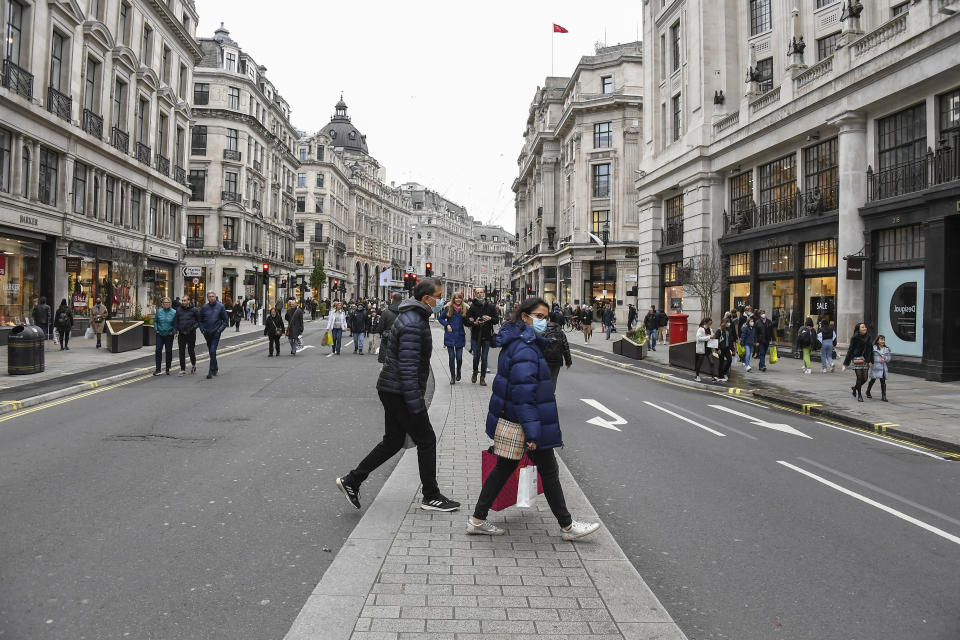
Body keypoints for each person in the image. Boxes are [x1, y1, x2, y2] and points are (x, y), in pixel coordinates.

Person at [467, 297, 600, 540]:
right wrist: (533, 433)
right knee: (549, 471)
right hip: (524, 424)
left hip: (514, 420)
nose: (543, 321)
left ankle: (477, 519)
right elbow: (524, 394)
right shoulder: (525, 348)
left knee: (504, 468)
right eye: (539, 316)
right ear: (525, 316)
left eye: (546, 317)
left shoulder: (519, 341)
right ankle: (567, 526)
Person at [336, 278, 459, 513]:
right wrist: (416, 404)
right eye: (439, 295)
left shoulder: (413, 316)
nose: (441, 300)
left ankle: (353, 480)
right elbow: (408, 366)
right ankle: (431, 495)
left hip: (392, 389)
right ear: (426, 299)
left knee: (393, 441)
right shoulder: (414, 322)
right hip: (400, 391)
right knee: (426, 439)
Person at [464, 287, 500, 386]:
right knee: (476, 356)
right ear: (475, 294)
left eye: (481, 292)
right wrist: (473, 322)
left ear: (484, 294)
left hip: (487, 336)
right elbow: (466, 321)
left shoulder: (491, 306)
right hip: (476, 335)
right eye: (478, 293)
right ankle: (475, 371)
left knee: (484, 357)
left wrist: (489, 318)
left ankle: (482, 377)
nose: (480, 294)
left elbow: (496, 320)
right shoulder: (472, 307)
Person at [198, 292, 229, 379]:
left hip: (216, 332)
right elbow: (200, 320)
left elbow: (226, 320)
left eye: (213, 296)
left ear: (215, 297)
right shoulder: (204, 307)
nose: (211, 298)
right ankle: (215, 368)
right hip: (207, 333)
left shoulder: (220, 307)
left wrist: (220, 330)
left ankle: (210, 371)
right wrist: (202, 329)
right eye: (209, 297)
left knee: (212, 351)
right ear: (207, 298)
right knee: (211, 352)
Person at [438, 294, 467, 384]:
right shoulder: (448, 308)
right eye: (456, 298)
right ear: (453, 299)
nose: (458, 300)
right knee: (451, 357)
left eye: (459, 298)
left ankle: (458, 371)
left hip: (460, 336)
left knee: (459, 358)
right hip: (450, 335)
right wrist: (447, 325)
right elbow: (440, 318)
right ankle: (452, 377)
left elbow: (468, 321)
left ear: (462, 299)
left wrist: (472, 320)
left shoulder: (464, 309)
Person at [842, 322, 874, 402]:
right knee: (859, 378)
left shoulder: (869, 337)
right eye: (863, 327)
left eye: (865, 327)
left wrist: (871, 361)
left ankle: (855, 388)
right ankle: (859, 395)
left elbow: (871, 350)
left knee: (865, 378)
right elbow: (850, 350)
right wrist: (846, 363)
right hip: (856, 359)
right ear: (858, 330)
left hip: (865, 359)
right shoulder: (854, 338)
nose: (865, 328)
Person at [542, 312, 572, 392]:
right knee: (553, 379)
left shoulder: (543, 331)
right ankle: (551, 395)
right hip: (557, 361)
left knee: (544, 379)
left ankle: (544, 395)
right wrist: (568, 362)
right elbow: (566, 348)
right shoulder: (561, 333)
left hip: (545, 360)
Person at [174, 295, 199, 375]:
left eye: (185, 300)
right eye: (182, 300)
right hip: (181, 333)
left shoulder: (194, 310)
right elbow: (176, 321)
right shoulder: (178, 310)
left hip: (191, 333)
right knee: (181, 351)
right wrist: (175, 331)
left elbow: (199, 321)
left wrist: (193, 328)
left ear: (188, 301)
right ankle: (182, 369)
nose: (183, 302)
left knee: (191, 350)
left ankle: (193, 364)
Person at [153, 297, 177, 376]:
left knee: (168, 351)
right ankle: (158, 369)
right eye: (164, 303)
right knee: (158, 350)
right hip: (159, 334)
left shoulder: (174, 312)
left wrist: (174, 331)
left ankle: (167, 368)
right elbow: (155, 321)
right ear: (162, 304)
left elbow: (176, 324)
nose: (166, 304)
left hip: (169, 334)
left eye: (168, 303)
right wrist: (156, 329)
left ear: (170, 304)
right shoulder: (159, 311)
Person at [378, 293, 403, 363]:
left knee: (387, 360)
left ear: (392, 300)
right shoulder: (405, 312)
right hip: (401, 337)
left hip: (388, 337)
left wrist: (383, 333)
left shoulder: (385, 312)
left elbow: (380, 327)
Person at [866, 335, 891, 402]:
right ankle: (868, 391)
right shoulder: (873, 348)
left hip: (882, 367)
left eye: (883, 340)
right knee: (873, 380)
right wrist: (869, 362)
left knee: (883, 381)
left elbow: (889, 358)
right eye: (881, 340)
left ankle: (884, 396)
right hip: (875, 367)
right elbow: (868, 355)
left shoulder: (886, 349)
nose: (883, 341)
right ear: (877, 341)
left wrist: (885, 358)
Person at [694, 318, 717, 383]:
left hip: (708, 349)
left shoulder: (710, 329)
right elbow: (699, 338)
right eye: (709, 323)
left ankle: (713, 377)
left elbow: (712, 336)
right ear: (706, 323)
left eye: (711, 323)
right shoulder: (700, 329)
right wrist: (709, 337)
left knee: (712, 363)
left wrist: (713, 337)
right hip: (702, 349)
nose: (710, 324)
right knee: (700, 363)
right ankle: (697, 376)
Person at [715, 316, 733, 383]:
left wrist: (732, 349)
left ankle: (724, 372)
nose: (728, 324)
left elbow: (730, 340)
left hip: (727, 348)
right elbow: (716, 340)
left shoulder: (728, 330)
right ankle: (720, 375)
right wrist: (717, 349)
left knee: (729, 360)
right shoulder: (719, 330)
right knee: (721, 362)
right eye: (727, 322)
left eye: (728, 322)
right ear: (723, 323)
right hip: (721, 348)